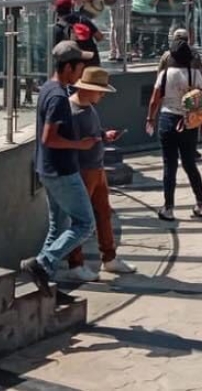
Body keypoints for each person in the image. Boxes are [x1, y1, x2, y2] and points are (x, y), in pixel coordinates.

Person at [20, 40, 101, 295]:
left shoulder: (48, 88)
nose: (81, 72)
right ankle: (43, 263)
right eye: (79, 66)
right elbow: (49, 138)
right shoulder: (57, 97)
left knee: (58, 226)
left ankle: (46, 284)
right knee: (85, 224)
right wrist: (80, 144)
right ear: (68, 67)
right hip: (61, 171)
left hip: (48, 169)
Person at [63, 66, 137, 281]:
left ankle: (109, 258)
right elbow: (69, 144)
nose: (102, 95)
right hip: (82, 170)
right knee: (81, 219)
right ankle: (76, 263)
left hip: (96, 168)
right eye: (100, 91)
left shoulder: (87, 107)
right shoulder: (73, 111)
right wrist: (85, 144)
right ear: (87, 89)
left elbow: (91, 135)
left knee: (104, 214)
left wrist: (104, 135)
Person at [145, 37, 202, 221]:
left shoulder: (164, 74)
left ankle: (168, 208)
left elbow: (154, 99)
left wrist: (150, 118)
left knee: (169, 165)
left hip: (167, 119)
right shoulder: (194, 73)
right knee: (190, 164)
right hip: (189, 120)